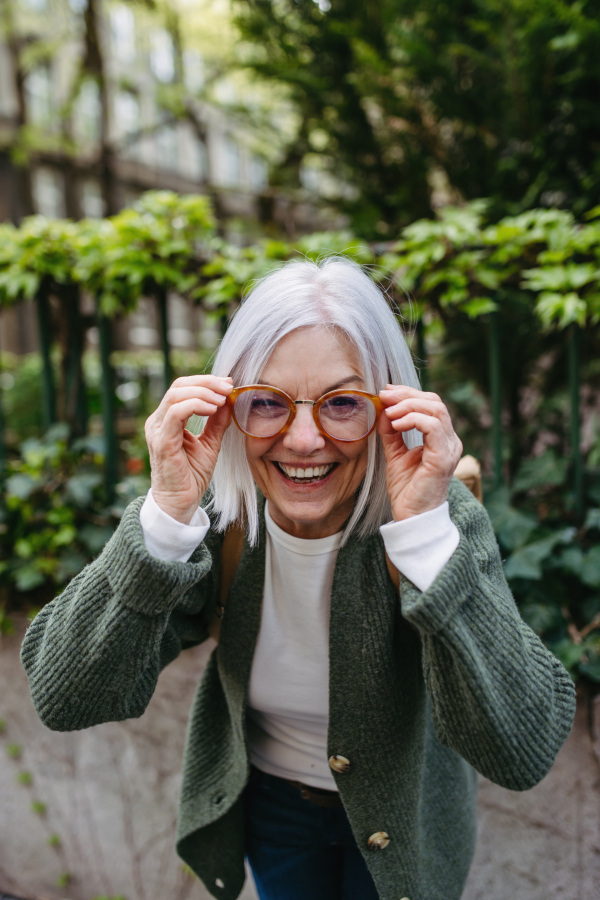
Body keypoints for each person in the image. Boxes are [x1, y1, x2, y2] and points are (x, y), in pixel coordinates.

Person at [21, 257, 576, 900]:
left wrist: (424, 536)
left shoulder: (437, 515)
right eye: (267, 403)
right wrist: (165, 516)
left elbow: (523, 748)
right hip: (273, 812)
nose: (305, 439)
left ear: (392, 406)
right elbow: (66, 696)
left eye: (343, 402)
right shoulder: (214, 516)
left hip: (408, 823)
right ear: (229, 408)